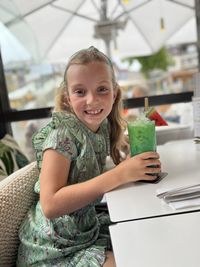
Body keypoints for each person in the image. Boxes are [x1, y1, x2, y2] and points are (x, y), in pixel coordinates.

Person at [17, 46, 161, 267]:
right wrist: (119, 175)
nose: (92, 100)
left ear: (115, 92)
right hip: (51, 250)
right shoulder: (61, 136)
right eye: (80, 92)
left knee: (144, 240)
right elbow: (50, 204)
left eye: (102, 89)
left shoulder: (101, 127)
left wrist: (132, 163)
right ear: (67, 98)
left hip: (85, 232)